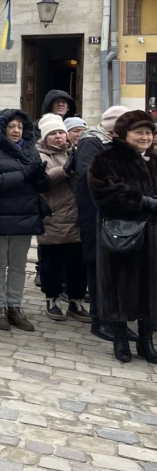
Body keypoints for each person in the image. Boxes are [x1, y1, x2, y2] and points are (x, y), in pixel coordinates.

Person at [87, 110, 157, 364]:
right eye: (139, 132)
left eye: (149, 132)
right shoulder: (106, 159)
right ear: (124, 134)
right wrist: (144, 201)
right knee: (119, 285)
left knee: (151, 287)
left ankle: (146, 341)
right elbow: (104, 193)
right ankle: (120, 339)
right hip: (122, 233)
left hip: (152, 236)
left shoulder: (153, 159)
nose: (145, 137)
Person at [0, 109, 49, 332]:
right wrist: (26, 174)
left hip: (24, 215)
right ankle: (0, 307)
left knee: (18, 265)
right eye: (11, 126)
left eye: (20, 127)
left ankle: (15, 307)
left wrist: (42, 176)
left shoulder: (30, 151)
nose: (16, 131)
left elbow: (40, 186)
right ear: (2, 129)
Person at [75, 106, 129, 343]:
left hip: (116, 216)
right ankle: (100, 320)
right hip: (95, 215)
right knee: (98, 267)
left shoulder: (117, 143)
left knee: (115, 269)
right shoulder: (91, 141)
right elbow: (91, 176)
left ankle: (115, 320)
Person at [36, 114, 89, 322]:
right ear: (45, 137)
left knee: (78, 264)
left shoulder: (74, 151)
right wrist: (65, 170)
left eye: (61, 132)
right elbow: (42, 181)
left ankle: (76, 301)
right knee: (52, 264)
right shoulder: (39, 154)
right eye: (53, 134)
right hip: (54, 217)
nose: (58, 137)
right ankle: (52, 299)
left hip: (77, 217)